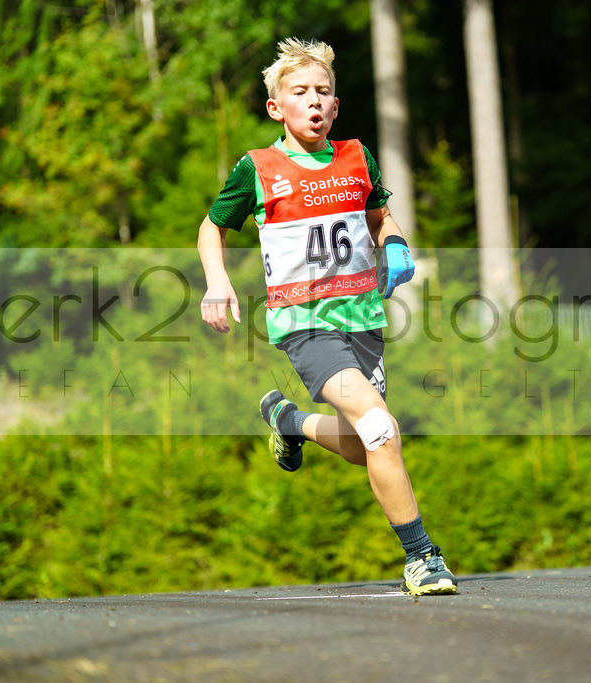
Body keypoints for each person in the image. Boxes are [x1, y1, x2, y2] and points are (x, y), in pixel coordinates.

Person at [196, 38, 456, 596]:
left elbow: (382, 218)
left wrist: (394, 244)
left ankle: (291, 423)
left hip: (362, 318)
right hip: (304, 323)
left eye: (323, 92)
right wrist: (218, 281)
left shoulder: (356, 156)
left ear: (335, 107)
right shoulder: (258, 168)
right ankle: (422, 557)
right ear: (276, 107)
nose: (313, 101)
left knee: (368, 446)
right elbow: (211, 226)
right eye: (300, 92)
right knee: (382, 428)